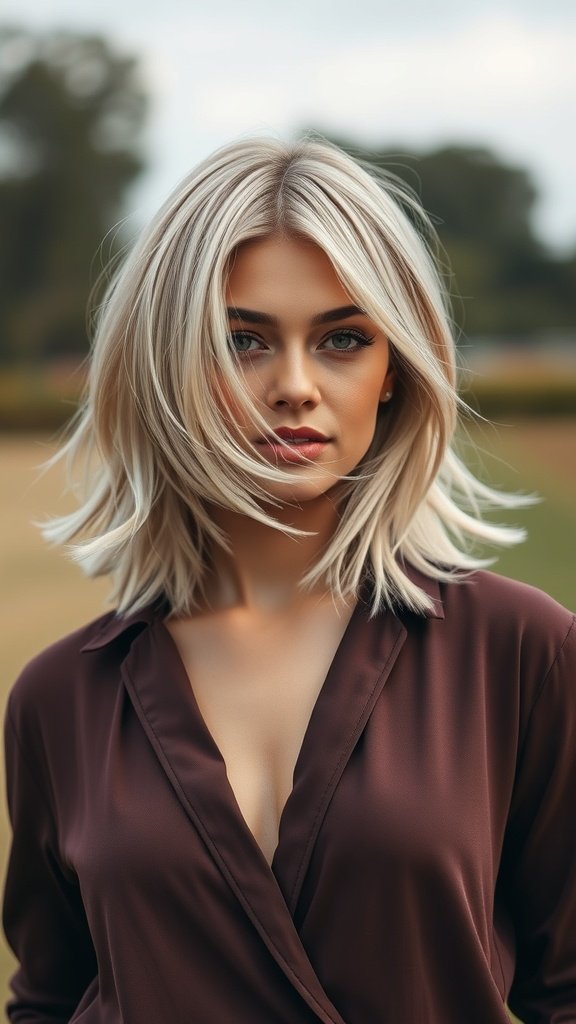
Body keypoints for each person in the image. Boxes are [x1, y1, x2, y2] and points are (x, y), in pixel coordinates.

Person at [3, 136, 575, 1024]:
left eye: (344, 338)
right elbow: (47, 997)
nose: (297, 387)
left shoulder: (522, 652)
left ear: (395, 371)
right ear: (169, 365)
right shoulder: (62, 696)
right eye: (243, 341)